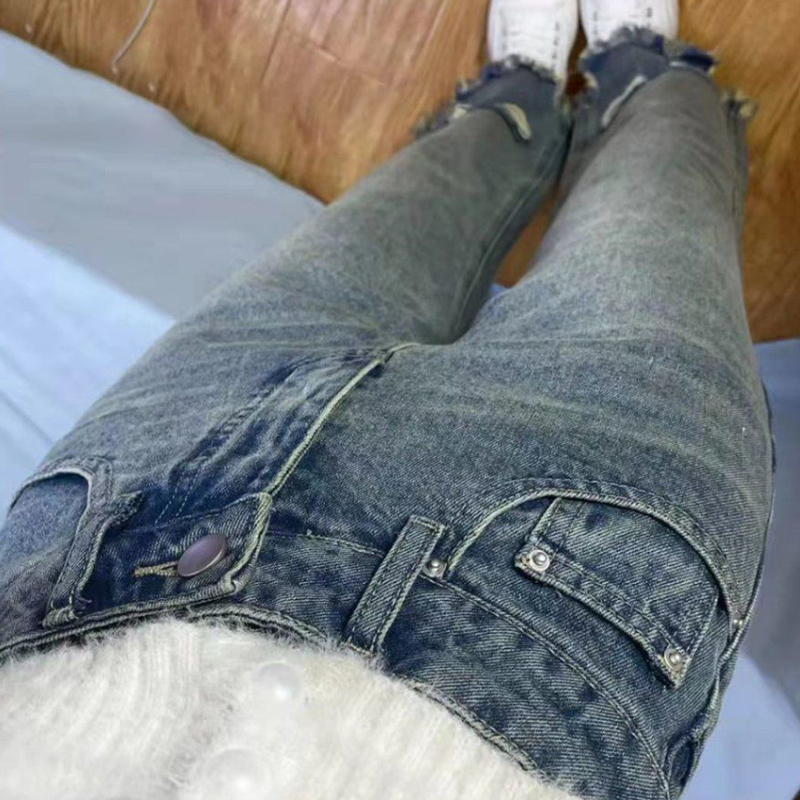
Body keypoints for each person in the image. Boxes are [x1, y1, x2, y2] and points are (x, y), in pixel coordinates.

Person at [0, 0, 774, 798]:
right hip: (544, 639)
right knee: (662, 191)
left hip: (108, 538)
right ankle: (637, 71)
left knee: (414, 196)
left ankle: (520, 100)